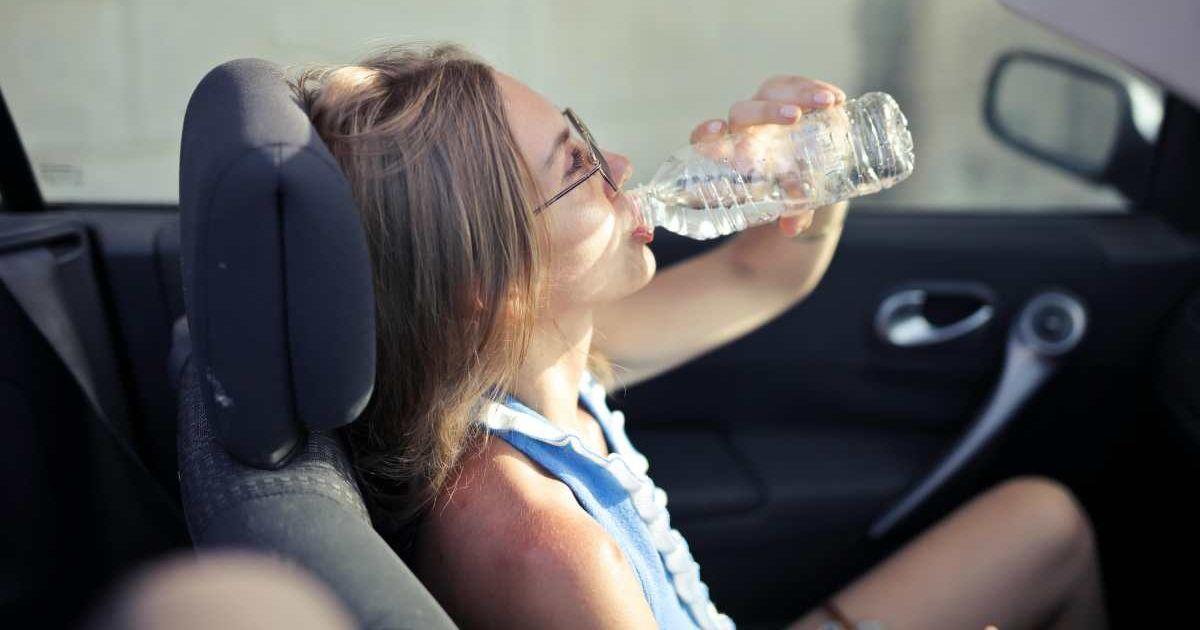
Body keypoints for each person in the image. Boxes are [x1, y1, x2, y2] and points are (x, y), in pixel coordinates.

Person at [292, 43, 1108, 629]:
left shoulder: (535, 361)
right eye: (577, 167)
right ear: (490, 281)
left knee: (1045, 525)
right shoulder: (538, 542)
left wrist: (812, 174)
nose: (618, 164)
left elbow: (764, 277)